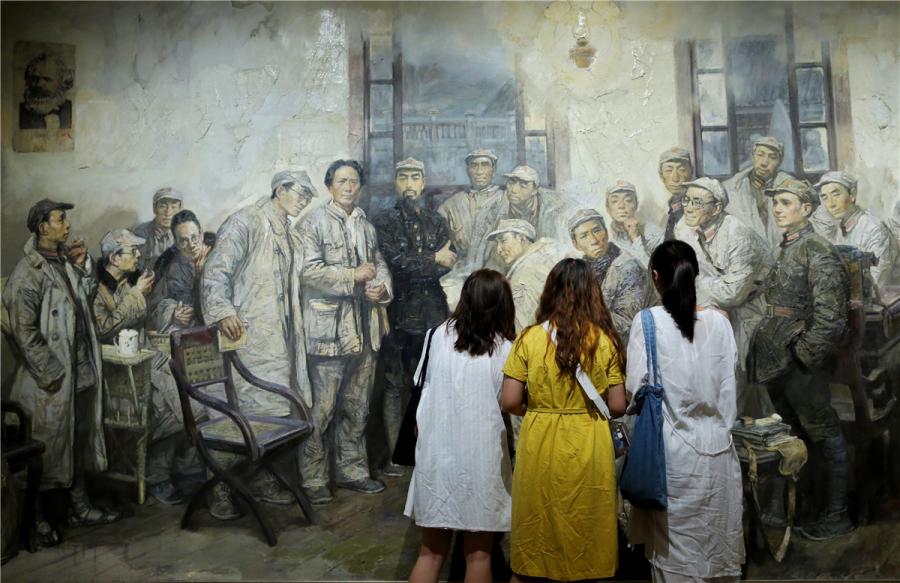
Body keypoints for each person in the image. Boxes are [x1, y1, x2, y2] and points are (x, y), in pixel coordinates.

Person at [626, 240, 745, 583]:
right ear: (695, 274)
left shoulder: (648, 321)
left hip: (672, 458)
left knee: (675, 561)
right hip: (720, 454)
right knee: (717, 552)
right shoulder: (720, 323)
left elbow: (635, 388)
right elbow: (729, 381)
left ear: (655, 276)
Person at [502, 258, 627, 581]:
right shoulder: (604, 341)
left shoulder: (529, 338)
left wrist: (540, 409)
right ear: (592, 293)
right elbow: (617, 405)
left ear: (550, 291)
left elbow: (510, 400)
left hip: (540, 438)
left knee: (535, 532)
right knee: (587, 531)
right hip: (589, 440)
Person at [201, 170, 317, 519]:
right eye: (300, 193)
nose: (304, 201)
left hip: (282, 343)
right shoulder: (246, 222)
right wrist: (223, 311)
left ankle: (262, 480)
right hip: (247, 341)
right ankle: (220, 490)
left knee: (276, 412)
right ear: (279, 190)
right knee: (240, 414)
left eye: (308, 196)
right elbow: (216, 272)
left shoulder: (291, 235)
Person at [4, 199, 120, 530]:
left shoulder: (64, 261)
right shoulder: (28, 272)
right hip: (49, 382)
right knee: (49, 447)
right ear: (43, 227)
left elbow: (83, 301)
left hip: (80, 371)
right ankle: (36, 519)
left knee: (77, 441)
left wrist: (83, 267)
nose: (67, 225)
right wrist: (52, 373)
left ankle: (79, 507)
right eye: (60, 219)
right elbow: (24, 332)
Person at [749, 178, 852, 540]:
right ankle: (804, 509)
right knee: (792, 434)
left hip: (799, 363)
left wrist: (803, 356)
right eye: (775, 202)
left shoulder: (817, 249)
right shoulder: (788, 246)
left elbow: (831, 316)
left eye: (786, 202)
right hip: (777, 359)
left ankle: (837, 515)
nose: (777, 208)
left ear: (807, 209)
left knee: (823, 433)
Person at [405, 270, 516, 583]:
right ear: (502, 305)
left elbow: (422, 388)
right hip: (483, 460)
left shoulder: (435, 337)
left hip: (436, 458)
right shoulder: (506, 349)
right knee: (478, 556)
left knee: (430, 553)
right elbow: (508, 402)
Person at [298, 159, 393, 503]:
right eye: (341, 181)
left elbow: (379, 264)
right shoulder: (312, 223)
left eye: (353, 181)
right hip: (328, 332)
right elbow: (307, 272)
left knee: (357, 407)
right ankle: (313, 479)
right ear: (329, 186)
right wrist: (352, 276)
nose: (349, 187)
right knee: (321, 411)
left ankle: (352, 471)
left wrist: (381, 289)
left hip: (365, 331)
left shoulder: (366, 225)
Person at [93, 228, 203, 504]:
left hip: (146, 365)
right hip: (119, 377)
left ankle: (179, 468)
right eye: (132, 251)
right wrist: (136, 294)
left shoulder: (128, 284)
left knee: (197, 401)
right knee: (175, 410)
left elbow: (148, 321)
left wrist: (172, 314)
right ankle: (157, 475)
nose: (138, 256)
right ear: (114, 258)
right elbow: (103, 330)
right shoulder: (97, 290)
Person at [373, 157, 456, 477]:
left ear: (423, 183)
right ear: (396, 183)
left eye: (415, 177)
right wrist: (432, 258)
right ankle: (398, 455)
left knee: (431, 383)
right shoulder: (384, 222)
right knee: (395, 385)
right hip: (397, 314)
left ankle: (430, 451)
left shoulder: (436, 221)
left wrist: (423, 261)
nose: (409, 184)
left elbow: (448, 262)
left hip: (433, 314)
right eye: (403, 177)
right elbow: (395, 262)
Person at [672, 177, 773, 414]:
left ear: (716, 208)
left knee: (734, 368)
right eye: (686, 200)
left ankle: (735, 422)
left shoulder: (738, 234)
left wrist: (696, 286)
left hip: (750, 308)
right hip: (708, 308)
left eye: (697, 202)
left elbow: (733, 294)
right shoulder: (682, 228)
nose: (688, 207)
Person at [569, 208, 652, 341]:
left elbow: (627, 321)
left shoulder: (628, 267)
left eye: (597, 230)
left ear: (606, 233)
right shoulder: (576, 274)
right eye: (584, 236)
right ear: (576, 244)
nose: (594, 240)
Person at [467, 165, 568, 272]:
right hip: (505, 263)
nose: (514, 190)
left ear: (535, 190)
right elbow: (478, 251)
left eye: (523, 185)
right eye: (511, 182)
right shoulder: (492, 209)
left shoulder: (554, 206)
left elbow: (561, 247)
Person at [815, 170, 899, 296]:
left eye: (836, 194)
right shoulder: (839, 230)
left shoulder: (873, 229)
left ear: (852, 195)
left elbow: (875, 283)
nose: (831, 204)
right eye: (825, 197)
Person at [486, 219, 562, 333]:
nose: (498, 250)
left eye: (503, 240)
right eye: (497, 243)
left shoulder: (523, 275)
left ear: (522, 239)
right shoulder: (550, 255)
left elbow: (522, 326)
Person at [148, 210, 216, 332]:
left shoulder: (218, 256)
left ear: (201, 235)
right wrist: (175, 314)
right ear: (177, 244)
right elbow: (157, 305)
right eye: (184, 241)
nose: (191, 245)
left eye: (194, 238)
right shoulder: (174, 268)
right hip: (192, 331)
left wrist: (200, 277)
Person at [722, 136, 794, 247]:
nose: (764, 163)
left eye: (772, 157)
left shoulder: (792, 187)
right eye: (760, 155)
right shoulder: (730, 188)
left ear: (779, 162)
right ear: (752, 157)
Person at [438, 149, 504, 264]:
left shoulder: (505, 199)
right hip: (461, 267)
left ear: (493, 170)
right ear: (467, 170)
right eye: (474, 166)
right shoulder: (452, 204)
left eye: (485, 165)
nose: (479, 171)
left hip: (498, 266)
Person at [606, 180, 665, 266]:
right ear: (608, 207)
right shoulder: (606, 239)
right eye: (614, 201)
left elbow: (659, 269)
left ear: (636, 204)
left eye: (628, 200)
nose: (621, 206)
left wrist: (635, 238)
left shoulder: (652, 232)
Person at [19, 51, 74, 130]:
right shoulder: (20, 111)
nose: (39, 84)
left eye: (47, 79)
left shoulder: (69, 110)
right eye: (35, 78)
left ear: (62, 83)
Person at [133, 187, 184, 270]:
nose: (168, 213)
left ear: (180, 210)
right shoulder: (141, 232)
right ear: (154, 208)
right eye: (162, 206)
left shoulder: (183, 234)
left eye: (173, 207)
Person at [657, 147, 694, 241]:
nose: (675, 178)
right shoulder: (673, 204)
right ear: (661, 175)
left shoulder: (698, 205)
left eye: (682, 170)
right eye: (669, 171)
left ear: (691, 172)